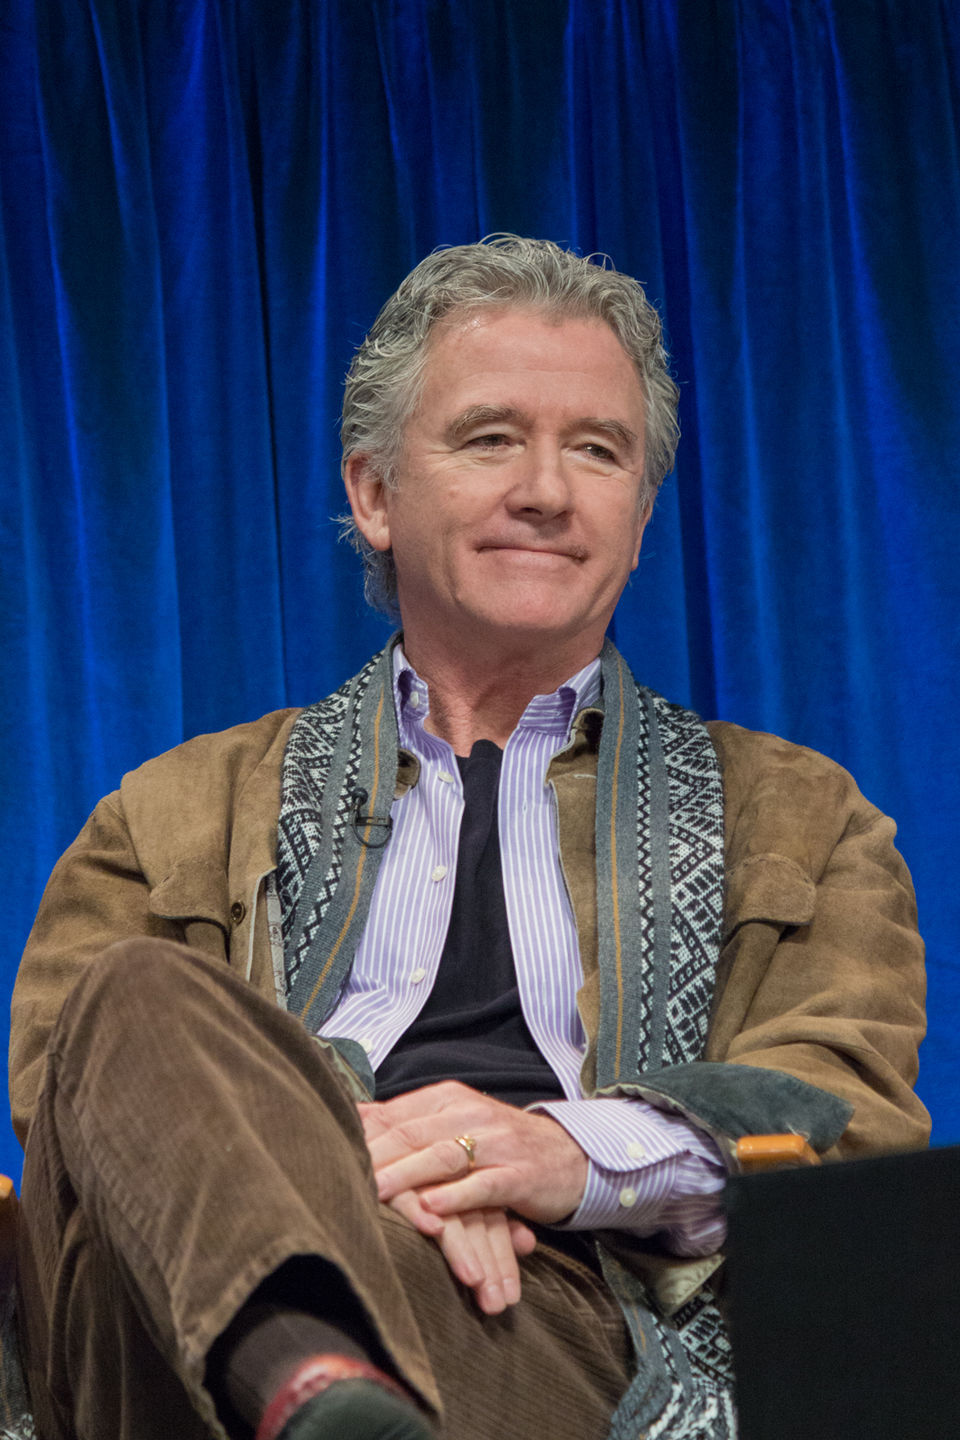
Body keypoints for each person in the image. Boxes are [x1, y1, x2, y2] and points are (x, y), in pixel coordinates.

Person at [9, 237, 928, 1440]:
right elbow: (78, 1105)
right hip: (182, 1302)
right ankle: (319, 1383)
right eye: (491, 438)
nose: (546, 489)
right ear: (375, 495)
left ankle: (310, 1387)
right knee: (132, 995)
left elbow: (845, 1113)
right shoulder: (171, 812)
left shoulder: (803, 818)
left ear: (640, 519)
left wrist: (560, 1155)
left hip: (554, 1328)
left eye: (597, 450)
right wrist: (374, 1157)